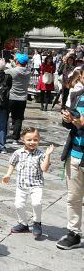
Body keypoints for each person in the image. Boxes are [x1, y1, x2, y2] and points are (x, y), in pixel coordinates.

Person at [2, 127, 54, 239]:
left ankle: (37, 223)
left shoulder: (41, 154)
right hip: (21, 185)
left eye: (35, 140)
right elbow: (12, 163)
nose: (32, 142)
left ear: (39, 140)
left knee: (37, 203)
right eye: (29, 140)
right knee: (18, 205)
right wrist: (8, 174)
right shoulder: (18, 153)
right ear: (23, 139)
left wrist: (48, 155)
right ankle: (23, 224)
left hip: (36, 185)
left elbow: (44, 169)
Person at [56, 94, 84, 249]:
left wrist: (81, 123)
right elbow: (71, 124)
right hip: (75, 155)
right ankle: (74, 233)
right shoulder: (80, 97)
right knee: (73, 197)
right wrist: (68, 120)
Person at [6, 53, 31, 143]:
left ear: (18, 61)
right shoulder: (28, 72)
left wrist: (11, 64)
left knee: (5, 116)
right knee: (18, 119)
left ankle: (4, 134)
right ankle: (15, 138)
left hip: (11, 97)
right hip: (22, 98)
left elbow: (5, 71)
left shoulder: (13, 71)